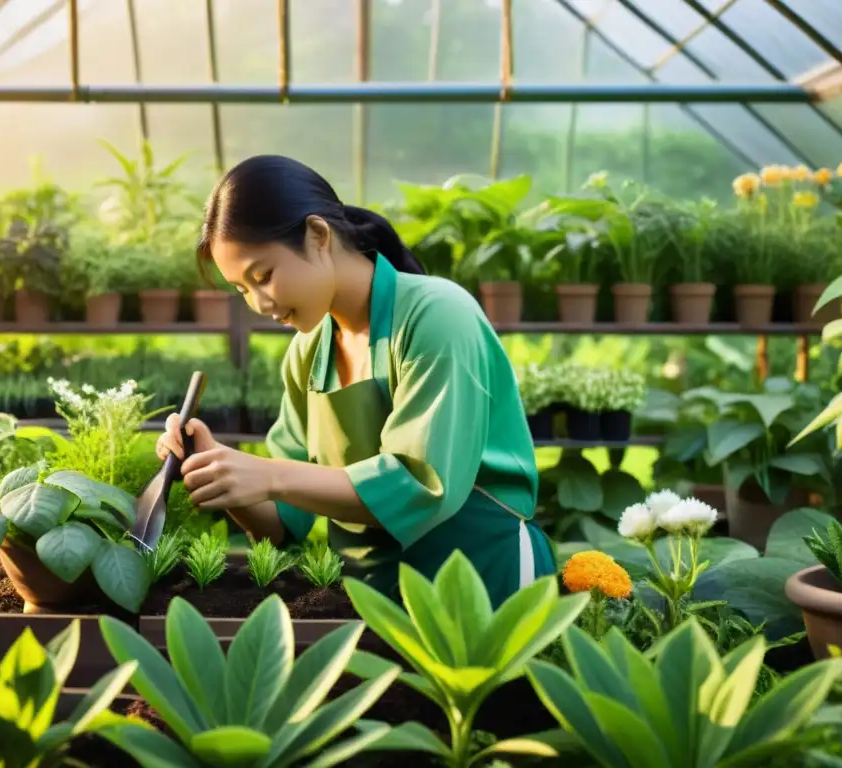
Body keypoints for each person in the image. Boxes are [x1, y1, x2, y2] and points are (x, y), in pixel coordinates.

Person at [156, 154, 555, 608]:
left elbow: (421, 486)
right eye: (242, 289)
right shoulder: (308, 353)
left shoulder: (437, 315)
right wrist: (216, 467)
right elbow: (283, 523)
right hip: (371, 599)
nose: (259, 303)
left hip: (482, 583)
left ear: (318, 236)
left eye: (263, 276)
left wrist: (269, 474)